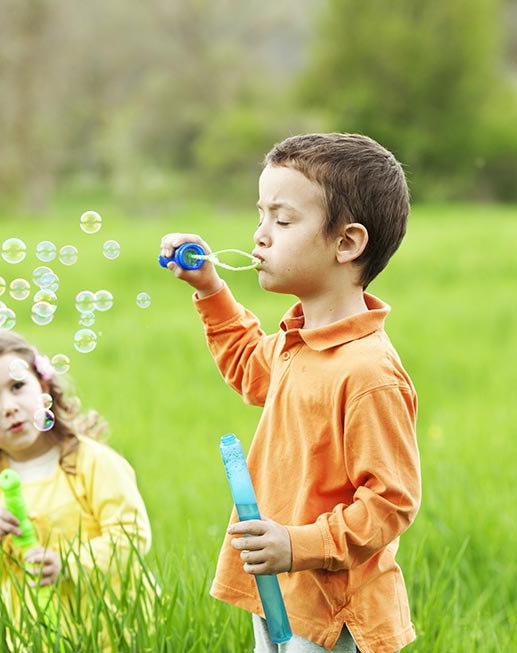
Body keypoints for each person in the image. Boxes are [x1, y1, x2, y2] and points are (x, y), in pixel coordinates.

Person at [160, 133, 421, 653]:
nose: (260, 236)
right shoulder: (295, 342)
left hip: (332, 607)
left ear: (347, 243)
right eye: (261, 216)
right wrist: (211, 290)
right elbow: (249, 368)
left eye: (282, 221)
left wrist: (297, 545)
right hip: (281, 583)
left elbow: (391, 502)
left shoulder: (367, 373)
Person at [0, 330, 152, 648]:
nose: (9, 407)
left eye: (18, 386)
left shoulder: (91, 461)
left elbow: (132, 537)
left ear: (43, 386)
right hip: (39, 635)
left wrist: (69, 564)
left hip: (115, 630)